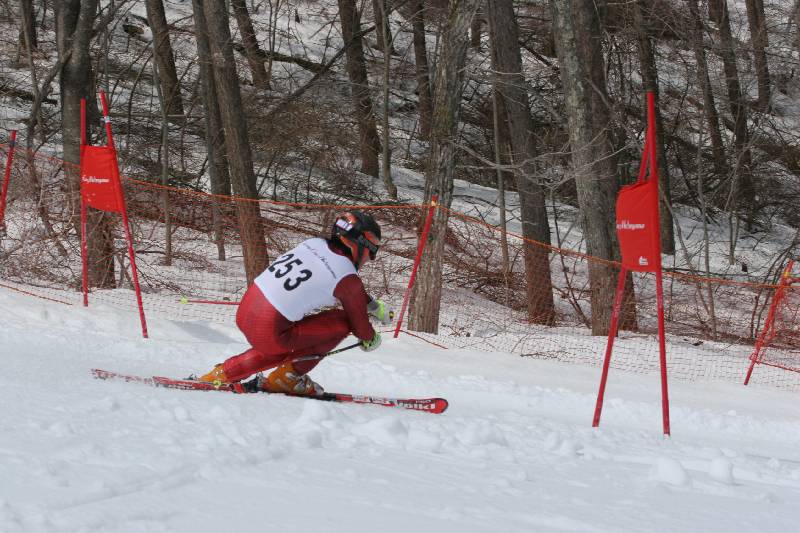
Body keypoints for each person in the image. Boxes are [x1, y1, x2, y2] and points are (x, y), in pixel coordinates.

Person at [196, 210, 392, 396]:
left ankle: (223, 373)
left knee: (288, 340)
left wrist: (373, 306)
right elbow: (360, 327)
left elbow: (348, 288)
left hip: (245, 312)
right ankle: (286, 378)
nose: (369, 259)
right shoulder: (346, 275)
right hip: (269, 331)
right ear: (359, 244)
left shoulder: (313, 243)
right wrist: (371, 337)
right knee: (341, 324)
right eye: (371, 250)